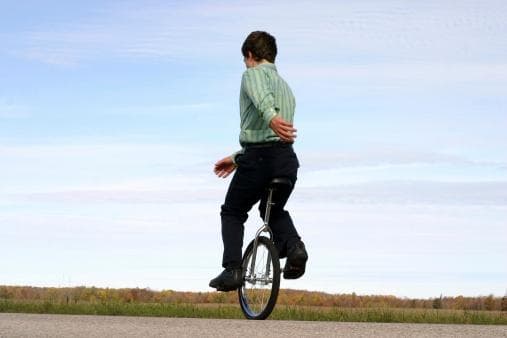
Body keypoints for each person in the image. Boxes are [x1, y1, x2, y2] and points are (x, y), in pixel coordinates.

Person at [209, 31, 308, 292]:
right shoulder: (286, 87)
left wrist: (271, 117)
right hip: (286, 160)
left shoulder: (252, 74)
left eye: (245, 60)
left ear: (250, 55)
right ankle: (295, 247)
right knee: (272, 210)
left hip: (260, 158)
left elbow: (263, 109)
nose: (245, 65)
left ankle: (232, 270)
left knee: (232, 212)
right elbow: (270, 139)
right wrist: (235, 158)